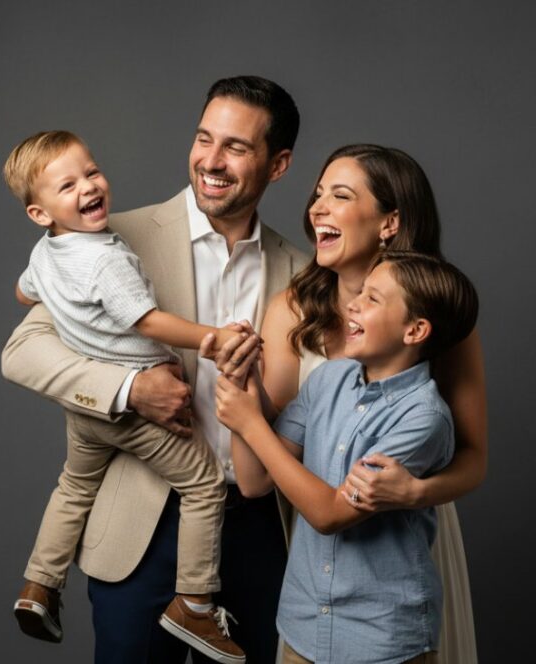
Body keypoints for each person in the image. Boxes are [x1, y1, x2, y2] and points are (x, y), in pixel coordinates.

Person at [1, 76, 307, 663]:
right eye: (203, 139)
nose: (211, 162)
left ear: (279, 163)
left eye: (236, 148)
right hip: (142, 523)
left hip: (260, 530)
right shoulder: (112, 237)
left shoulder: (302, 272)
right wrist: (131, 388)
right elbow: (22, 352)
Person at [205, 145, 486, 662]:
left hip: (398, 547)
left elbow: (472, 459)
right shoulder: (292, 310)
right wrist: (244, 393)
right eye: (317, 195)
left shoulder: (439, 314)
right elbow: (261, 470)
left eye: (339, 195)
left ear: (389, 222)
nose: (316, 208)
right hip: (315, 564)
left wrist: (413, 492)